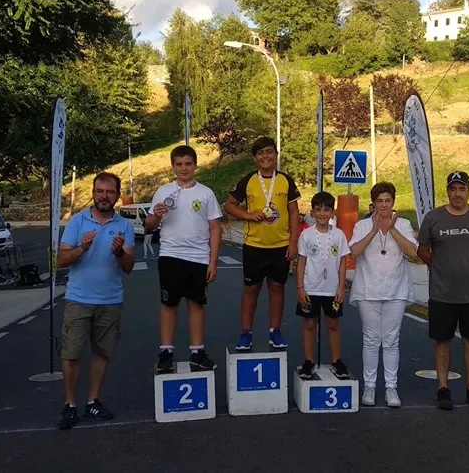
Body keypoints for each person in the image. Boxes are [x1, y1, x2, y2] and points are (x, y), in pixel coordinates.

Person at [56, 172, 136, 430]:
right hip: (78, 299)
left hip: (110, 300)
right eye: (100, 191)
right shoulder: (77, 222)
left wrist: (118, 251)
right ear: (93, 192)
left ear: (116, 195)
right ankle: (70, 404)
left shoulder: (124, 226)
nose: (104, 196)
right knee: (72, 355)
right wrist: (81, 248)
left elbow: (129, 266)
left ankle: (93, 401)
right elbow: (61, 260)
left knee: (102, 354)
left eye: (110, 192)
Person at [417, 171, 469, 411]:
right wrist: (440, 267)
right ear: (448, 192)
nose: (458, 194)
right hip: (442, 293)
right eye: (453, 189)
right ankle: (443, 388)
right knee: (443, 341)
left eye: (462, 189)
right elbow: (422, 250)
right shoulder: (434, 218)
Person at [147, 145, 222, 374]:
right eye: (179, 164)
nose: (184, 168)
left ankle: (197, 351)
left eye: (188, 164)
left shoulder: (206, 193)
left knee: (196, 304)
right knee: (169, 304)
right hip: (170, 255)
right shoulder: (163, 191)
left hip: (198, 257)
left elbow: (215, 228)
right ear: (172, 166)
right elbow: (149, 225)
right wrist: (156, 216)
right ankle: (166, 352)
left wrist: (213, 261)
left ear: (195, 165)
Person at [224, 136, 301, 351]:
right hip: (254, 245)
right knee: (251, 289)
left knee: (277, 288)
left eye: (269, 152)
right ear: (255, 158)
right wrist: (248, 215)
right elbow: (229, 206)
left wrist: (293, 242)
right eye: (260, 153)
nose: (265, 156)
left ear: (276, 155)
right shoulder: (248, 180)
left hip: (280, 245)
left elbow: (294, 212)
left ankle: (274, 331)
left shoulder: (286, 180)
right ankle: (245, 333)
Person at [349, 182, 419, 408]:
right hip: (368, 288)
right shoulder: (361, 225)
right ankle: (369, 386)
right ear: (373, 203)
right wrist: (373, 230)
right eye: (379, 201)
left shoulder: (405, 224)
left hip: (396, 289)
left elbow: (412, 252)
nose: (384, 205)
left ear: (393, 202)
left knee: (391, 339)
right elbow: (354, 252)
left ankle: (391, 388)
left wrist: (392, 228)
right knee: (370, 339)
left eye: (388, 201)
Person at [295, 192, 351, 379]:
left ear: (332, 212)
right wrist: (300, 288)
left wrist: (341, 287)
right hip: (310, 288)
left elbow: (342, 262)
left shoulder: (339, 235)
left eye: (327, 209)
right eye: (318, 209)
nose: (322, 213)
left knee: (333, 324)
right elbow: (301, 261)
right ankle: (308, 361)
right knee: (310, 324)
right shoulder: (306, 235)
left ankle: (337, 361)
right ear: (312, 212)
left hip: (332, 289)